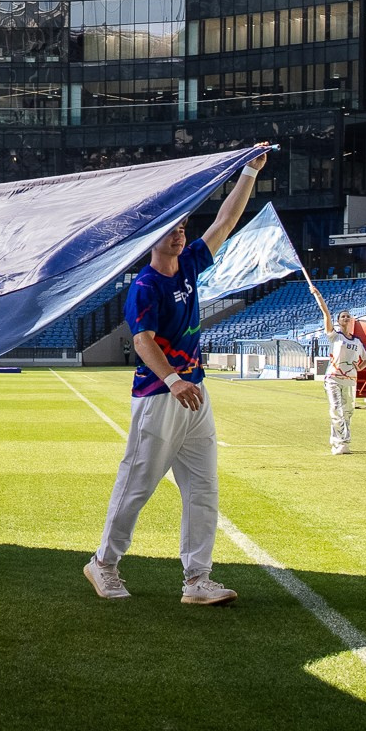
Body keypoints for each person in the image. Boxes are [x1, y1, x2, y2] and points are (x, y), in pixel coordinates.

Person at [83, 146, 269, 607]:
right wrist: (173, 381)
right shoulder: (144, 287)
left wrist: (248, 172)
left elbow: (224, 222)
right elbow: (143, 342)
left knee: (203, 488)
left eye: (183, 229)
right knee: (137, 483)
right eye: (172, 231)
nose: (180, 237)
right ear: (153, 239)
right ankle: (103, 563)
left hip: (194, 394)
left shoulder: (188, 264)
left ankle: (197, 580)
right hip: (161, 395)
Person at [325, 312, 366, 455]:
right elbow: (326, 314)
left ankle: (337, 441)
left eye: (348, 316)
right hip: (334, 377)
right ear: (338, 320)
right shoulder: (335, 336)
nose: (346, 318)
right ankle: (342, 442)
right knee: (336, 409)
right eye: (342, 316)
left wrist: (360, 367)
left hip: (350, 380)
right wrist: (317, 295)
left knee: (348, 412)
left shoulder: (357, 341)